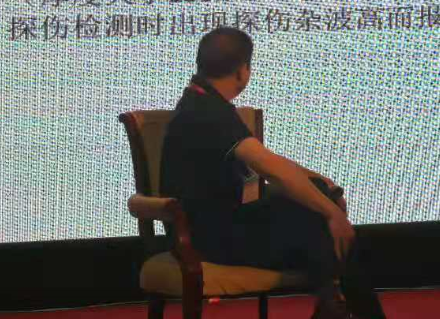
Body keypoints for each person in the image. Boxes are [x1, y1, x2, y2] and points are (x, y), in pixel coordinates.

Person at [159, 27, 386, 319]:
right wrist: (332, 213)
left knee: (316, 203)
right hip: (210, 240)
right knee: (322, 224)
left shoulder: (203, 102)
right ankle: (337, 301)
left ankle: (331, 299)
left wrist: (321, 185)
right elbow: (269, 167)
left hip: (225, 223)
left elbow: (267, 160)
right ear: (242, 71)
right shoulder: (207, 111)